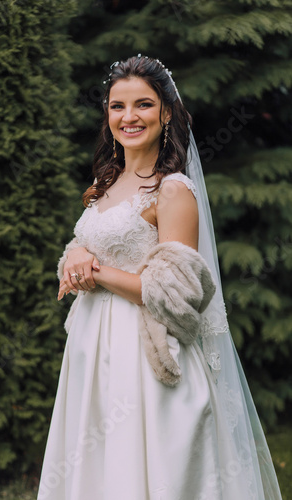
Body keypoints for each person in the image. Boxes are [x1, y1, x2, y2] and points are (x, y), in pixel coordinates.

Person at [37, 55, 282, 500]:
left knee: (149, 470)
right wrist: (75, 253)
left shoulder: (172, 191)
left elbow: (177, 294)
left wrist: (97, 272)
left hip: (146, 353)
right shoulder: (105, 184)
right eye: (117, 106)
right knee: (95, 467)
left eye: (143, 105)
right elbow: (90, 243)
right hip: (93, 349)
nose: (128, 117)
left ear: (165, 112)